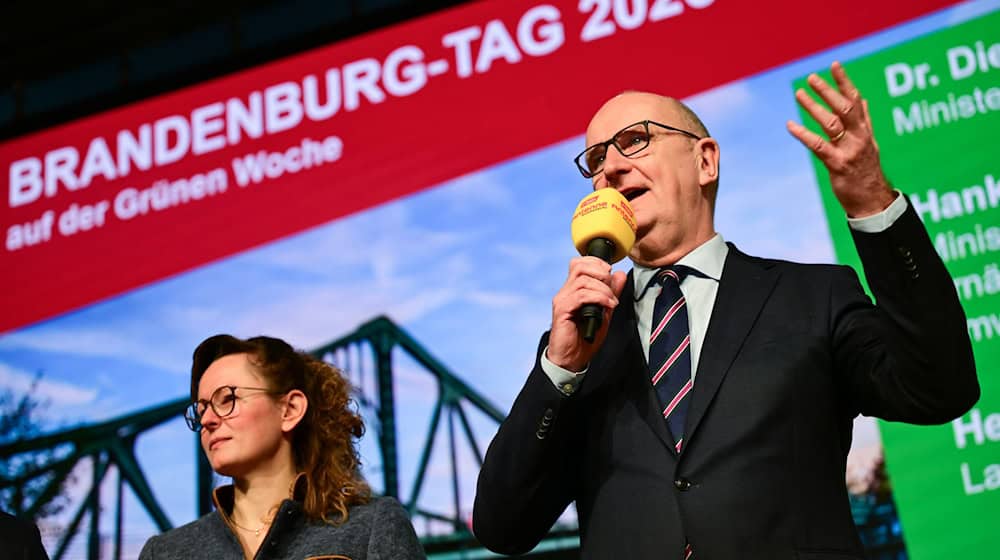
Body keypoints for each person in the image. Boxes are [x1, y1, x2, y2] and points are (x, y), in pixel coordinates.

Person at [472, 62, 979, 559]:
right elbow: (503, 526)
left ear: (705, 161)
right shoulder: (580, 343)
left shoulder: (812, 295)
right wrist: (561, 371)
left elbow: (939, 388)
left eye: (634, 141)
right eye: (596, 158)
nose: (610, 167)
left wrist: (873, 204)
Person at [139, 334, 425, 560]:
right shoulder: (164, 552)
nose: (209, 420)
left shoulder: (371, 527)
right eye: (201, 410)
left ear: (290, 409)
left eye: (227, 399)